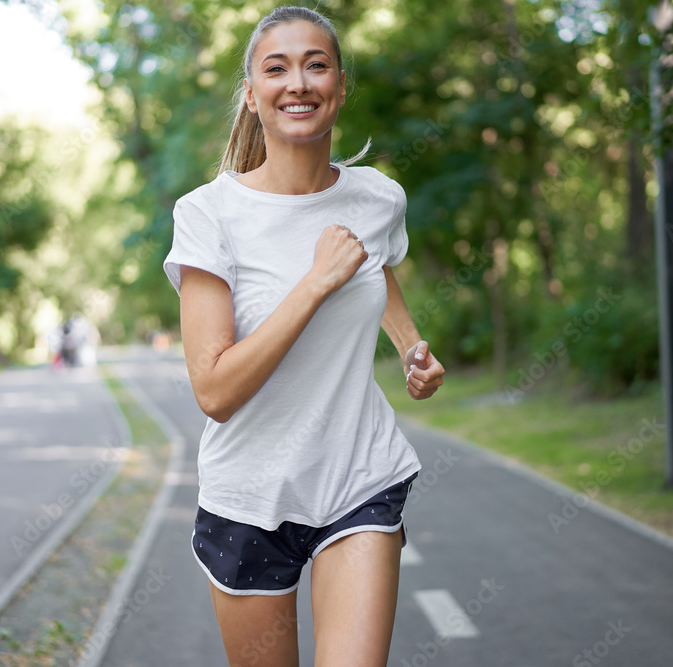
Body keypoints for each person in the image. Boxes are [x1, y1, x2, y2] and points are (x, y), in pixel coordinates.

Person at [162, 6, 445, 666]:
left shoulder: (376, 198)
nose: (299, 82)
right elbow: (215, 389)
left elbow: (373, 265)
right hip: (248, 498)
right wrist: (314, 283)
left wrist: (409, 346)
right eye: (277, 68)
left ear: (340, 87)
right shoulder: (210, 215)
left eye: (317, 65)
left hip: (358, 477)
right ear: (254, 94)